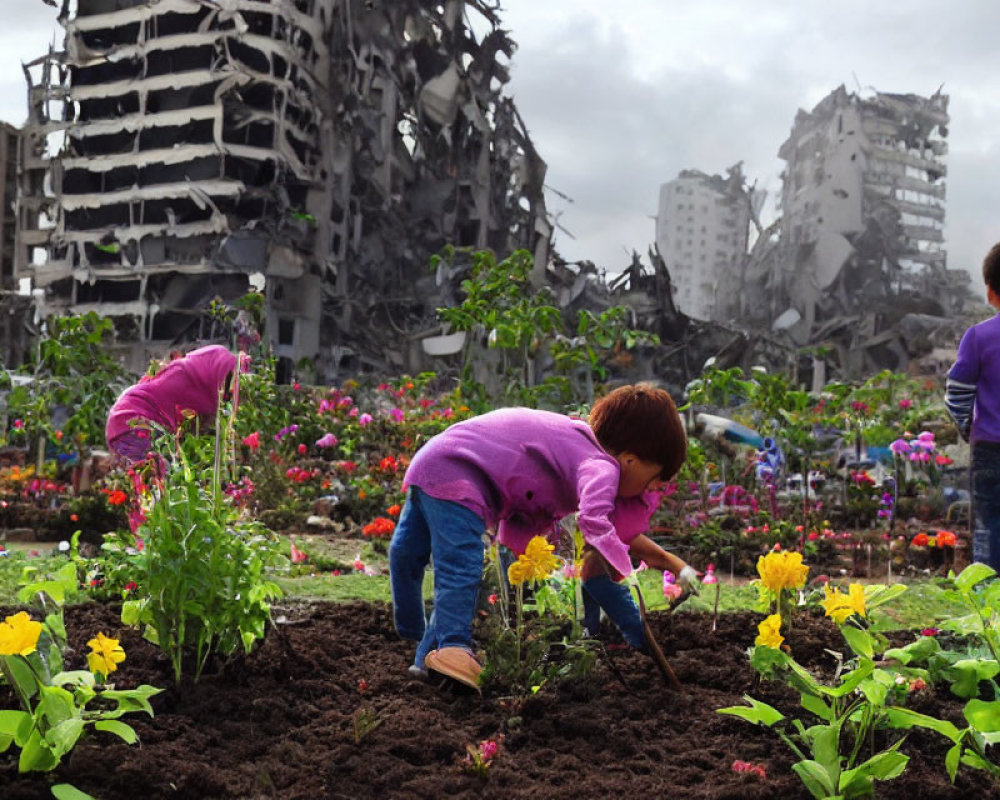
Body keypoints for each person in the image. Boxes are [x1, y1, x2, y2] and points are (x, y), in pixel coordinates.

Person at [389, 383, 696, 689]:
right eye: (652, 480)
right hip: (462, 476)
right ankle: (453, 647)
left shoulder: (573, 443)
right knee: (460, 567)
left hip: (433, 460)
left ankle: (418, 648)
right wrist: (624, 569)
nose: (649, 490)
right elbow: (594, 520)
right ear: (630, 460)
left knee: (408, 553)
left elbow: (523, 506)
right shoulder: (602, 466)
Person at [946, 242, 1000, 572]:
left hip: (990, 450)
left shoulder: (978, 337)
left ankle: (991, 614)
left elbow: (957, 396)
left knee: (989, 530)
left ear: (990, 291)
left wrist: (969, 429)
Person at [105, 344, 240, 464]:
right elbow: (212, 423)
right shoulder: (188, 382)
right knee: (159, 479)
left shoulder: (188, 370)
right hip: (133, 424)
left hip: (124, 421)